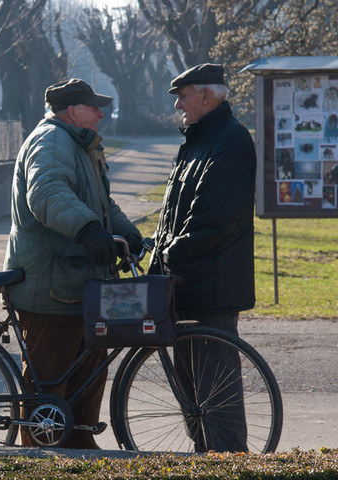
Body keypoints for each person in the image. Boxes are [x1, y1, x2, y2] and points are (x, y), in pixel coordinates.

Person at [3, 78, 142, 449]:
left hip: (79, 283)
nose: (101, 113)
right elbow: (47, 193)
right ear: (71, 112)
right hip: (52, 286)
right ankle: (40, 456)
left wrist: (129, 235)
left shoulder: (80, 145)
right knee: (49, 383)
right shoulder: (51, 142)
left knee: (89, 369)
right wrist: (87, 231)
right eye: (93, 107)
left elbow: (103, 204)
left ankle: (80, 444)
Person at [149, 63, 257, 452]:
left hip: (212, 287)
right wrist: (157, 248)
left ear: (206, 96)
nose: (178, 105)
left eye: (183, 95)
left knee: (216, 395)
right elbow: (176, 212)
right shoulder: (198, 139)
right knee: (194, 396)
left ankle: (228, 462)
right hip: (188, 284)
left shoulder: (229, 140)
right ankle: (206, 458)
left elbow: (213, 220)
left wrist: (167, 251)